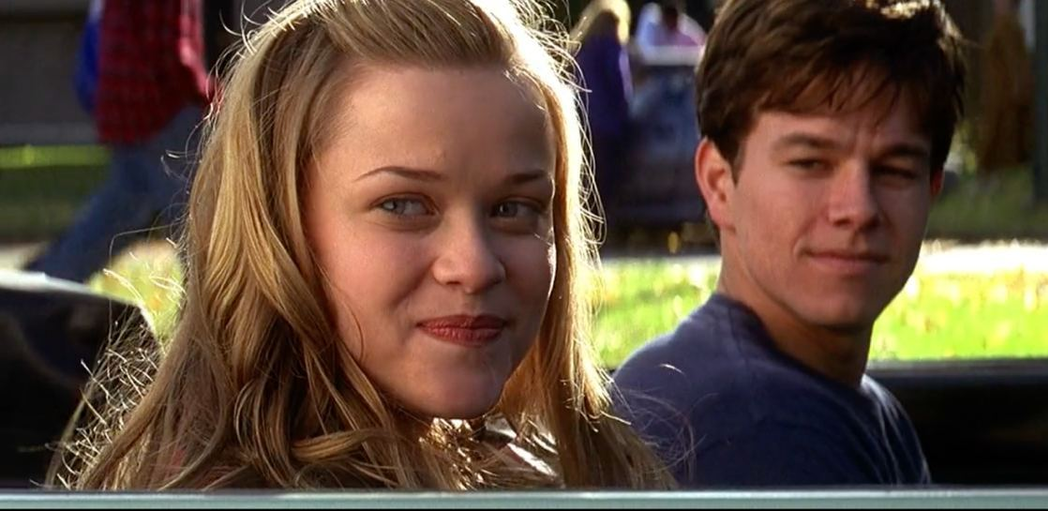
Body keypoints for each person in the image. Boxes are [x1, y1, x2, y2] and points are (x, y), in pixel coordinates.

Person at [47, 0, 673, 490]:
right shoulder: (228, 494)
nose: (475, 265)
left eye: (514, 209)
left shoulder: (553, 468)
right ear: (279, 226)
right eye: (403, 205)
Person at [613, 0, 966, 487]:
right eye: (811, 163)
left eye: (894, 169)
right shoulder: (753, 430)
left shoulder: (837, 403)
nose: (858, 208)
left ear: (931, 188)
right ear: (719, 183)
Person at [26, 0, 212, 284]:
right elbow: (172, 52)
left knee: (120, 210)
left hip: (122, 100)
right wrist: (209, 94)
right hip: (157, 106)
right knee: (197, 218)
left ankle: (42, 282)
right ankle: (215, 301)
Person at [572, 0, 634, 217]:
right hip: (608, 126)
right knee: (606, 185)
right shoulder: (611, 44)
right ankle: (604, 226)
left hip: (583, 124)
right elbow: (619, 82)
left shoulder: (582, 47)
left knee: (586, 183)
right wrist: (627, 116)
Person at [975, 0, 1033, 189]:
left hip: (1005, 98)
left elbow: (1016, 64)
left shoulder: (1009, 28)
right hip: (997, 94)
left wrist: (1017, 89)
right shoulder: (1003, 27)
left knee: (1003, 136)